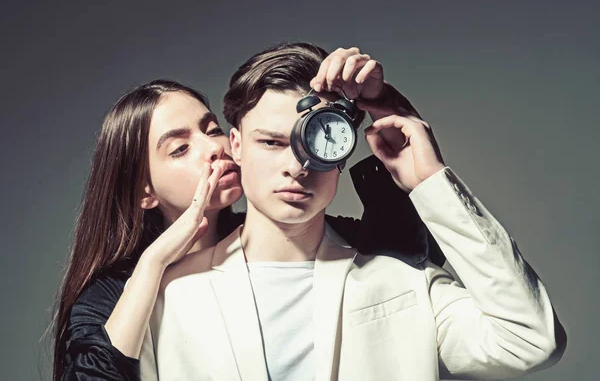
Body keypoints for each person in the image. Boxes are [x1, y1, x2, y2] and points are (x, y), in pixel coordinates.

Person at [139, 43, 567, 380]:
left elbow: (530, 340)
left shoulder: (402, 279)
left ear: (342, 151)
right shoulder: (171, 292)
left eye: (318, 140)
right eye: (271, 143)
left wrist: (430, 180)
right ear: (235, 146)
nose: (298, 165)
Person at [50, 74, 440, 380]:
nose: (212, 149)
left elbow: (416, 265)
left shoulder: (288, 235)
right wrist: (153, 263)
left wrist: (385, 107)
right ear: (144, 192)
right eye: (180, 148)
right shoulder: (112, 294)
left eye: (211, 129)